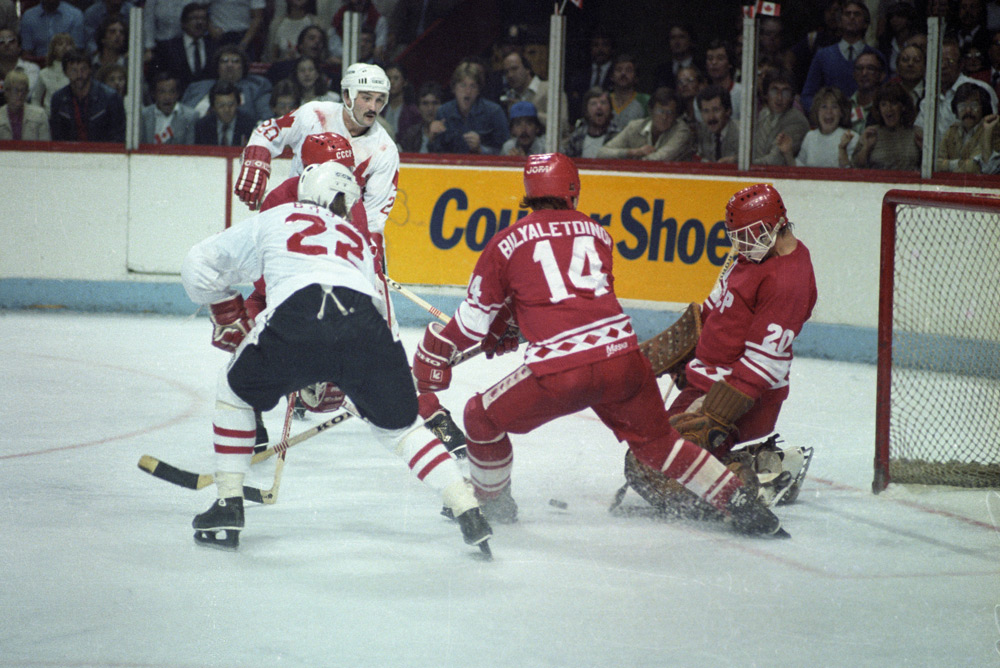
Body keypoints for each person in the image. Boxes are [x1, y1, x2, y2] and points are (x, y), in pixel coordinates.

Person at [410, 153, 786, 537]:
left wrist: (433, 351)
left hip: (562, 372)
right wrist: (509, 319)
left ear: (528, 193)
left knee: (479, 417)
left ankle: (494, 503)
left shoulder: (505, 244)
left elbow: (471, 326)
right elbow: (577, 302)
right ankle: (742, 505)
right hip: (625, 360)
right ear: (573, 190)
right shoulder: (597, 233)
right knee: (659, 443)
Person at [180, 160, 492, 552]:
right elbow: (378, 315)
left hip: (300, 312)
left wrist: (226, 309)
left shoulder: (279, 215)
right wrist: (350, 377)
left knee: (235, 393)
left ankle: (228, 505)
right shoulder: (357, 239)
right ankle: (469, 509)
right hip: (367, 325)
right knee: (401, 427)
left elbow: (198, 262)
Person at [235, 63, 469, 451]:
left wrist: (363, 262)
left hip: (348, 240)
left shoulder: (383, 150)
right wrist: (257, 155)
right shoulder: (314, 116)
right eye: (366, 97)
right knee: (257, 317)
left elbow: (371, 223)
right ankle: (252, 412)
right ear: (346, 96)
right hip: (295, 232)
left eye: (380, 99)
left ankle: (429, 412)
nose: (373, 105)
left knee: (383, 336)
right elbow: (269, 130)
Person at [655, 183, 817, 512]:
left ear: (776, 224)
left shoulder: (789, 281)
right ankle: (763, 462)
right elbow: (719, 303)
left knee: (669, 475)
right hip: (709, 380)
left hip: (741, 399)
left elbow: (764, 365)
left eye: (748, 234)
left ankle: (766, 478)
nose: (740, 245)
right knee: (656, 458)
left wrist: (715, 410)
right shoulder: (753, 252)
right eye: (736, 235)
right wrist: (688, 352)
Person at [916, 37, 999, 148]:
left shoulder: (980, 89)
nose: (943, 66)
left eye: (949, 61)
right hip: (940, 162)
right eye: (939, 61)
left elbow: (992, 132)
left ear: (961, 64)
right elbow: (919, 133)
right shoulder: (929, 97)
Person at [800, 1, 877, 112]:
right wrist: (824, 114)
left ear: (866, 23)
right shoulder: (822, 56)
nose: (851, 17)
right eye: (847, 14)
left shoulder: (876, 56)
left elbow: (884, 95)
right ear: (840, 22)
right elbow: (807, 95)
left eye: (857, 14)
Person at [429, 61, 509, 154]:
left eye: (473, 86)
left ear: (479, 90)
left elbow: (505, 151)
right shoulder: (443, 112)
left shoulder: (494, 112)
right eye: (463, 85)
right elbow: (437, 154)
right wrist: (432, 138)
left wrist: (481, 149)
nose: (467, 92)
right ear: (454, 88)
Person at [597, 87, 694, 162]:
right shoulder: (634, 127)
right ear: (650, 111)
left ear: (675, 115)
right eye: (660, 111)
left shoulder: (681, 130)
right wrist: (633, 152)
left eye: (669, 112)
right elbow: (602, 153)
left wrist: (629, 164)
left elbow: (660, 159)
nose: (664, 117)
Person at [49, 48, 125, 142]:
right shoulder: (58, 99)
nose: (79, 75)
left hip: (102, 153)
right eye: (73, 70)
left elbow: (117, 136)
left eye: (83, 69)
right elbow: (57, 137)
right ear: (65, 72)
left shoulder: (110, 97)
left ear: (90, 70)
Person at [181, 45, 272, 122]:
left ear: (243, 67)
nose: (229, 65)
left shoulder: (257, 86)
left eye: (235, 61)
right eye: (224, 61)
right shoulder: (197, 87)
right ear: (217, 67)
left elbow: (266, 118)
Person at [499, 51, 569, 142]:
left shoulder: (550, 89)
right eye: (506, 72)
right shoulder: (511, 98)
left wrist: (529, 111)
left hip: (551, 149)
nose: (510, 75)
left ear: (528, 69)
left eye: (514, 69)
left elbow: (563, 125)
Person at [852, 80, 922, 170]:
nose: (889, 109)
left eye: (893, 103)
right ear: (879, 108)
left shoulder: (917, 133)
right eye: (883, 104)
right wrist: (866, 147)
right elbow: (857, 166)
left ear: (903, 107)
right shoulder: (871, 133)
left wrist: (923, 149)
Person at [150, 2, 217, 94]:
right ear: (183, 23)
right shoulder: (168, 48)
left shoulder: (214, 47)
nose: (199, 22)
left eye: (203, 19)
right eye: (194, 18)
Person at [936, 81, 1000, 172]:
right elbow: (936, 164)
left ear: (984, 108)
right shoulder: (952, 131)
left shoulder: (992, 128)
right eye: (962, 106)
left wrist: (949, 165)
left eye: (974, 105)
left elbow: (977, 167)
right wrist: (961, 164)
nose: (968, 111)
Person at [788, 85, 857, 167]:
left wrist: (842, 149)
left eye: (834, 107)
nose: (829, 112)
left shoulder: (851, 137)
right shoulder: (810, 137)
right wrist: (787, 152)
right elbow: (799, 169)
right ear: (817, 111)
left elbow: (851, 173)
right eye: (824, 107)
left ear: (841, 112)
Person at [752, 68, 809, 165]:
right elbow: (754, 151)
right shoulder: (764, 113)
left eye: (785, 92)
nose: (779, 98)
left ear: (792, 97)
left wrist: (742, 164)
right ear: (766, 94)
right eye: (774, 91)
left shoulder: (796, 121)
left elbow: (775, 161)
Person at [562, 86, 619, 159]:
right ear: (586, 110)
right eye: (593, 103)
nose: (599, 107)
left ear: (610, 108)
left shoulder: (617, 136)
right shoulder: (577, 136)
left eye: (603, 103)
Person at [141, 71, 198, 144]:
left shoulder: (190, 117)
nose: (167, 97)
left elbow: (190, 150)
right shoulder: (143, 115)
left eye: (172, 92)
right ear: (154, 94)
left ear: (177, 94)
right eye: (162, 92)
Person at [194, 79, 255, 145]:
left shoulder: (249, 124)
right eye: (221, 105)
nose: (227, 110)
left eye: (231, 104)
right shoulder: (202, 126)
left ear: (238, 104)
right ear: (213, 107)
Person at [18, 0, 85, 60]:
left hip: (68, 65)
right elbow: (26, 53)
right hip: (37, 65)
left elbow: (77, 51)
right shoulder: (28, 17)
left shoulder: (75, 15)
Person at [0, 67, 50, 140]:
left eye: (23, 90)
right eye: (16, 90)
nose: (20, 94)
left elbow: (46, 148)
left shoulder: (39, 115)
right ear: (6, 92)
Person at [31, 32, 74, 114]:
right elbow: (35, 99)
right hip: (49, 117)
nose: (64, 47)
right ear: (53, 49)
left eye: (68, 44)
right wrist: (40, 116)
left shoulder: (77, 73)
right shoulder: (44, 73)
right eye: (60, 44)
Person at [694, 84, 738, 163]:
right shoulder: (702, 131)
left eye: (716, 110)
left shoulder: (740, 133)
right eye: (706, 111)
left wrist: (735, 160)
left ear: (728, 111)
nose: (711, 117)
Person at [397, 79, 442, 153]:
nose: (430, 108)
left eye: (435, 103)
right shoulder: (411, 134)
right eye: (425, 103)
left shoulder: (449, 133)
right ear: (418, 107)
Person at [847, 50, 886, 134]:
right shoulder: (844, 105)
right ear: (854, 74)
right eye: (859, 68)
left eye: (870, 68)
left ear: (882, 75)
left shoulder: (887, 108)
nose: (864, 73)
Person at [704, 38, 742, 122]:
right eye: (710, 59)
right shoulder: (702, 97)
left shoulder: (742, 93)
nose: (714, 62)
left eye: (720, 58)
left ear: (730, 63)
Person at [608, 53, 649, 128]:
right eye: (619, 70)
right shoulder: (604, 100)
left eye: (628, 70)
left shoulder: (646, 101)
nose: (623, 73)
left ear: (636, 77)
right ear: (612, 76)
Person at [380, 63, 419, 140]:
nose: (392, 82)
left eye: (396, 78)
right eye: (388, 78)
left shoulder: (413, 111)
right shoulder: (380, 108)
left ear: (405, 82)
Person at [0, 29, 39, 104]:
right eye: (1, 41)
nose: (6, 44)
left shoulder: (31, 69)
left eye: (11, 41)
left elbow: (26, 94)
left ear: (19, 47)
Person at [892, 42, 926, 108]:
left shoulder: (931, 92)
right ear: (897, 67)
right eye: (905, 60)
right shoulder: (890, 92)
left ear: (925, 67)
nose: (910, 64)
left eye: (917, 60)